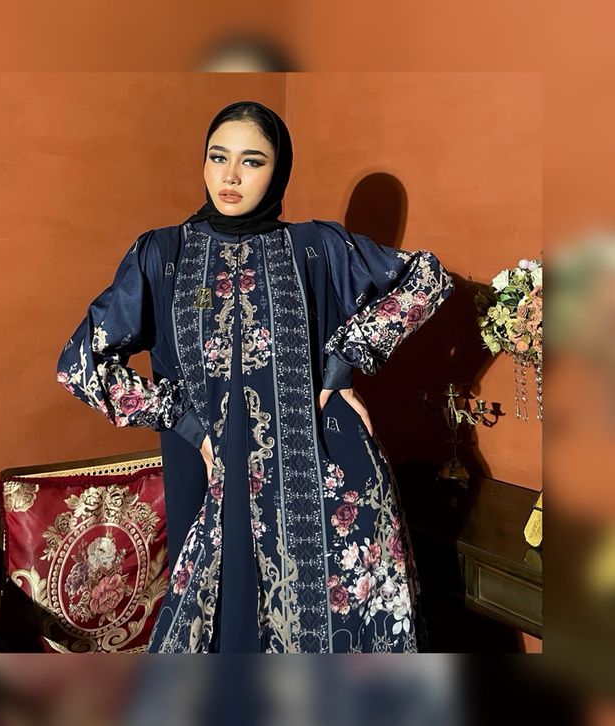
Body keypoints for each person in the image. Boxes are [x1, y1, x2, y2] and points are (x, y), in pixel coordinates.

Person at [56, 100, 455, 653]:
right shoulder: (163, 255)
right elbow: (80, 362)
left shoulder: (316, 248)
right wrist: (183, 420)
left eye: (252, 161)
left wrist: (343, 364)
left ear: (278, 171)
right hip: (212, 475)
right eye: (218, 157)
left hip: (322, 477)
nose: (231, 176)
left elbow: (427, 279)